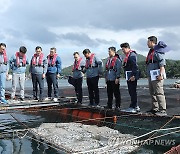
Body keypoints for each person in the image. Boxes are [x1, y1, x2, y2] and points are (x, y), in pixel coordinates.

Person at [146, 36, 169, 116]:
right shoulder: (151, 51)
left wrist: (161, 75)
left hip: (157, 75)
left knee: (159, 92)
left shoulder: (158, 51)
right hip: (151, 75)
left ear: (152, 42)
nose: (147, 43)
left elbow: (162, 63)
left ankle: (162, 110)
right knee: (152, 92)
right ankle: (155, 108)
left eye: (148, 42)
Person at [120, 43, 140, 113]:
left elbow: (135, 66)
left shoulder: (132, 55)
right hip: (128, 75)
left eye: (123, 49)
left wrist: (134, 76)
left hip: (132, 75)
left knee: (132, 91)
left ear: (127, 48)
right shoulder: (127, 56)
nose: (123, 51)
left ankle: (133, 106)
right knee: (131, 91)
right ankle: (135, 105)